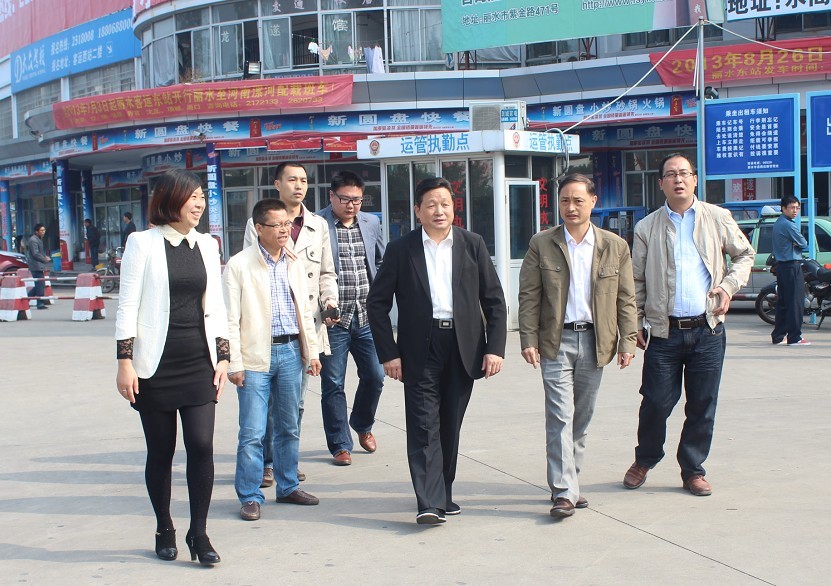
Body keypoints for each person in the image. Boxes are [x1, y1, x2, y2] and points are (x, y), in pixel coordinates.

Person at [367, 177, 507, 525]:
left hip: (463, 346)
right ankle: (428, 501)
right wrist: (389, 353)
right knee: (423, 424)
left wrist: (495, 348)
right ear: (418, 211)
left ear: (453, 207)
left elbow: (494, 301)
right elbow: (377, 304)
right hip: (419, 349)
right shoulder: (402, 249)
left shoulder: (472, 244)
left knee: (449, 424)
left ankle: (443, 492)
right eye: (431, 204)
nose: (439, 210)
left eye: (445, 203)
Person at [114, 169, 229, 565]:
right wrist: (124, 362)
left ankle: (200, 532)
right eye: (191, 196)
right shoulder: (141, 243)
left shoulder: (208, 245)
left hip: (199, 360)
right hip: (155, 364)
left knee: (201, 445)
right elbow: (127, 305)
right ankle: (164, 527)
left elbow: (217, 304)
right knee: (161, 451)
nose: (199, 203)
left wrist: (224, 356)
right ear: (170, 200)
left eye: (201, 197)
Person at [623, 153, 754, 497]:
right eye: (670, 174)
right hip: (663, 332)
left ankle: (693, 470)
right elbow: (636, 279)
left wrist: (728, 287)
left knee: (702, 404)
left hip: (707, 329)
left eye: (684, 173)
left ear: (694, 179)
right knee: (655, 402)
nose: (678, 179)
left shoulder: (717, 217)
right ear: (661, 183)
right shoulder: (647, 227)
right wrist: (636, 320)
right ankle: (645, 458)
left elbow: (744, 255)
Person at [519, 174, 637, 519]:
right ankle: (564, 492)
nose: (571, 207)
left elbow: (626, 298)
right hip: (556, 341)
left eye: (578, 201)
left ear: (593, 202)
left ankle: (570, 481)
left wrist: (628, 341)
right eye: (564, 201)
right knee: (560, 415)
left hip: (597, 341)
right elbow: (529, 295)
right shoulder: (542, 244)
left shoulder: (615, 246)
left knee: (581, 418)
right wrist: (528, 338)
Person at [224, 198, 322, 522]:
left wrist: (312, 351)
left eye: (287, 224)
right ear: (258, 228)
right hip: (255, 357)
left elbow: (303, 310)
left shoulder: (293, 262)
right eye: (276, 225)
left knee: (289, 426)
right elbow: (230, 319)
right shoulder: (239, 265)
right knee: (252, 431)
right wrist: (234, 363)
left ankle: (288, 485)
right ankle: (250, 496)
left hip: (291, 352)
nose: (284, 230)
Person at [243, 162, 338, 486]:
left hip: (305, 327)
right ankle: (268, 463)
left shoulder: (318, 225)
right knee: (265, 407)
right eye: (292, 179)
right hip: (267, 328)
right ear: (277, 184)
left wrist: (330, 301)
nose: (299, 185)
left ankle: (286, 462)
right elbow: (251, 271)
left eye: (304, 180)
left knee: (294, 404)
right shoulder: (257, 223)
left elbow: (326, 271)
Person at [316, 171, 386, 466]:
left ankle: (362, 423)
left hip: (367, 317)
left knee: (376, 376)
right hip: (334, 321)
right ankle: (340, 444)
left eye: (357, 200)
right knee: (333, 384)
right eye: (345, 199)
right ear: (331, 196)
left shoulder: (370, 223)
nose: (351, 205)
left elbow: (380, 260)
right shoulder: (317, 224)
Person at [771, 196, 809, 346]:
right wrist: (796, 244)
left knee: (783, 302)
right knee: (795, 302)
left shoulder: (778, 223)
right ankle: (795, 337)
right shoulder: (788, 225)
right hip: (792, 266)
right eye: (792, 207)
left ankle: (779, 336)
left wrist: (795, 243)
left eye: (797, 208)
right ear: (783, 208)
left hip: (782, 266)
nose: (795, 211)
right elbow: (803, 243)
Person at [25, 224, 51, 310]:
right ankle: (38, 303)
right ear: (37, 231)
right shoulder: (33, 240)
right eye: (41, 230)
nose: (43, 232)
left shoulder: (38, 239)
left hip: (39, 265)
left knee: (39, 284)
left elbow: (39, 252)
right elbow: (35, 253)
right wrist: (44, 259)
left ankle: (26, 299)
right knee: (40, 284)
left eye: (44, 230)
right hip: (35, 265)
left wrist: (44, 257)